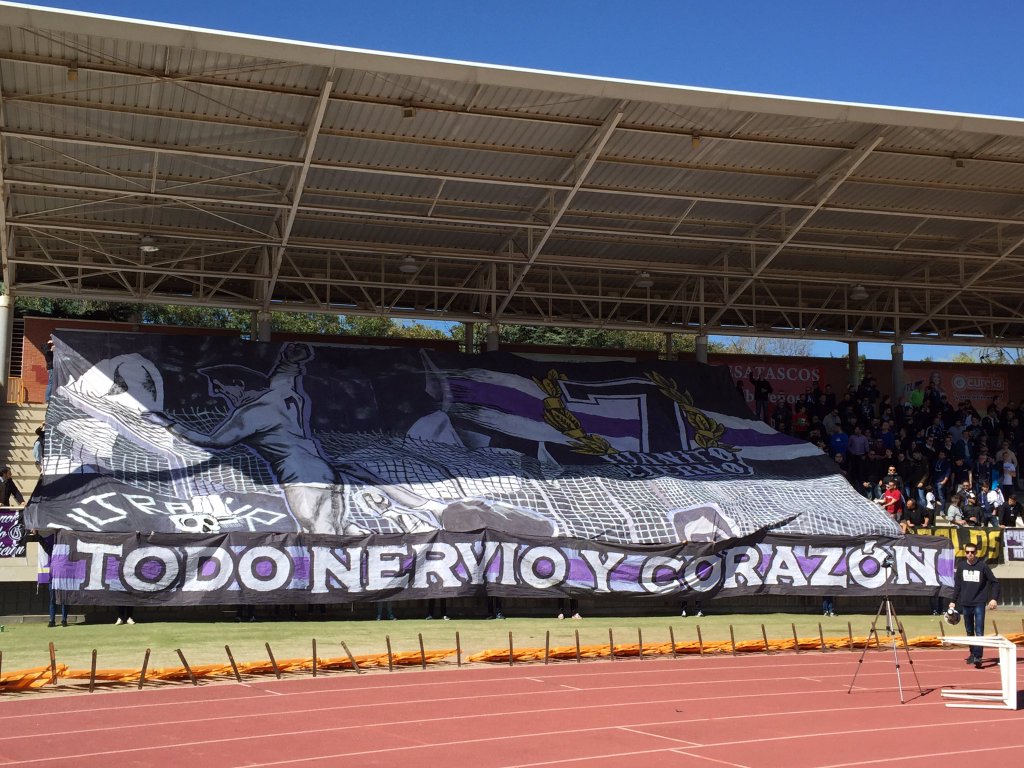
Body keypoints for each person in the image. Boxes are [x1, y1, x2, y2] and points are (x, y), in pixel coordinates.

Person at [949, 542, 1000, 668]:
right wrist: (953, 601)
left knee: (979, 630)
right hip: (966, 603)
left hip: (979, 603)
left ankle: (978, 656)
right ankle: (972, 653)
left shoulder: (983, 567)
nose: (970, 554)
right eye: (967, 552)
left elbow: (995, 583)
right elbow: (957, 586)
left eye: (972, 552)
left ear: (976, 553)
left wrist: (994, 598)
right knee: (969, 630)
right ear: (965, 553)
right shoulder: (961, 567)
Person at [43, 337, 55, 403]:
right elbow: (47, 351)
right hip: (51, 368)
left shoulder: (49, 351)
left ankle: (49, 398)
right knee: (50, 383)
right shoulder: (48, 351)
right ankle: (47, 399)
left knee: (52, 383)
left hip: (51, 368)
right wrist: (49, 344)